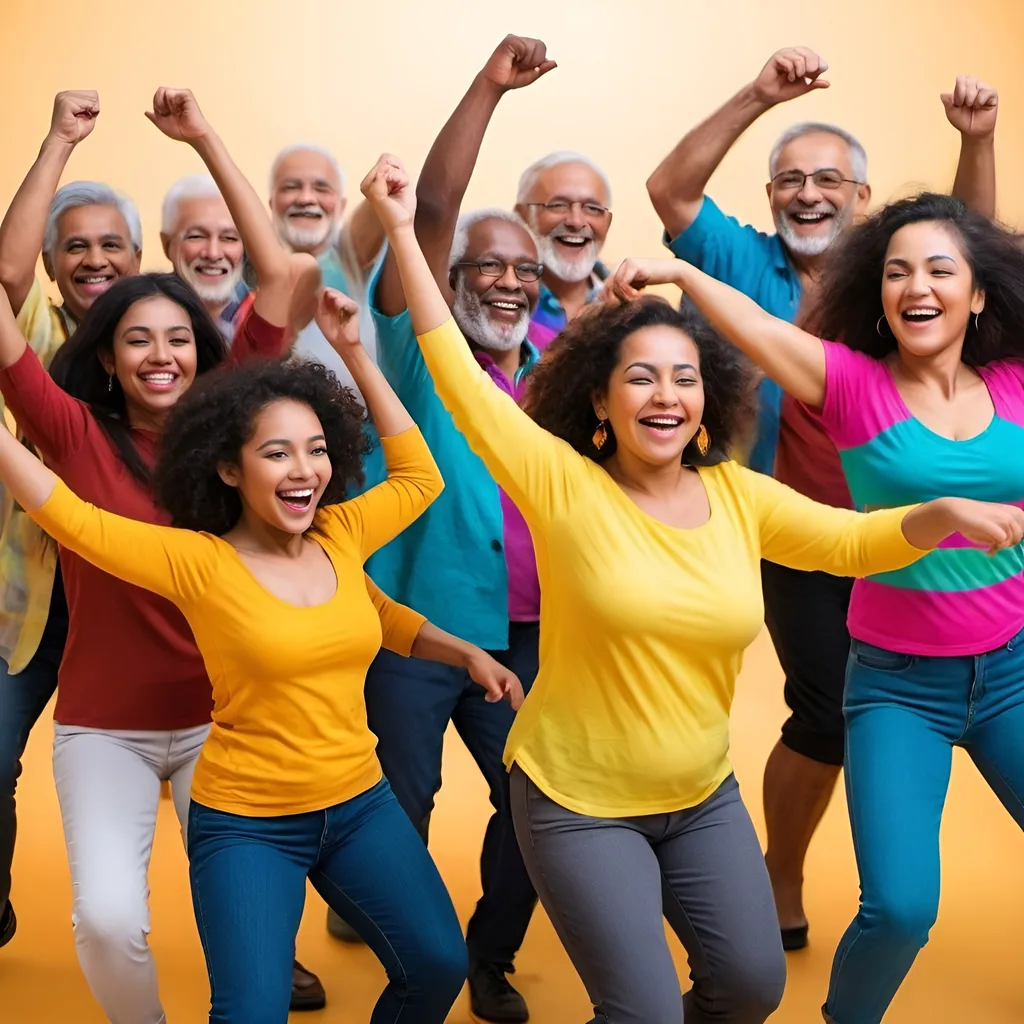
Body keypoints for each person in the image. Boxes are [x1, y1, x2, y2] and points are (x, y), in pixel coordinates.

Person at [362, 152, 1024, 1024]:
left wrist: (937, 513)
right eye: (640, 376)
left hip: (702, 797)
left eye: (684, 378)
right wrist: (405, 232)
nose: (665, 395)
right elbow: (449, 365)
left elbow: (851, 542)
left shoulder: (738, 496)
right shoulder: (563, 484)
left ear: (707, 404)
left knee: (752, 990)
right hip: (578, 801)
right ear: (600, 403)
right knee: (645, 1014)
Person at [0, 255, 534, 1021]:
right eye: (277, 453)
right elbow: (69, 516)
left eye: (317, 449)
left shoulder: (341, 532)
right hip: (249, 825)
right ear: (227, 468)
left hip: (359, 804)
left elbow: (417, 481)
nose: (305, 470)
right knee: (249, 1013)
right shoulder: (195, 563)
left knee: (438, 964)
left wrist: (354, 353)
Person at [621, 191, 1024, 1023]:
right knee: (901, 910)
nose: (917, 285)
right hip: (899, 689)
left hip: (1014, 671)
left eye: (940, 270)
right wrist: (680, 272)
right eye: (896, 272)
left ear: (977, 294)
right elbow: (758, 332)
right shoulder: (851, 384)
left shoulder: (1016, 382)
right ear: (878, 295)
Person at [645, 47, 999, 949]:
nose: (809, 194)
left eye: (830, 179)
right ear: (770, 198)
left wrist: (977, 141)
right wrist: (760, 95)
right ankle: (780, 872)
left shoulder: (901, 284)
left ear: (863, 198)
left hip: (926, 536)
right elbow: (671, 194)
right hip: (805, 534)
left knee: (907, 693)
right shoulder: (744, 261)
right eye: (790, 180)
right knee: (823, 705)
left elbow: (973, 246)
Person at [0, 84, 319, 1020]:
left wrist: (207, 133)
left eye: (179, 337)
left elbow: (279, 278)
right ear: (106, 359)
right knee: (105, 920)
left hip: (234, 712)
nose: (160, 355)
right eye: (136, 340)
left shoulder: (235, 414)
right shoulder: (65, 430)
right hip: (108, 726)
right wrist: (59, 139)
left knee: (248, 924)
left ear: (205, 349)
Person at [354, 36, 555, 1024]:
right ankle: (413, 952)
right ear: (446, 275)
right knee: (401, 808)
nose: (509, 281)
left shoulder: (559, 364)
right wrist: (488, 87)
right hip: (416, 624)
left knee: (537, 806)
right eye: (485, 264)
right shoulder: (414, 348)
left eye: (525, 268)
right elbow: (429, 214)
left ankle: (487, 955)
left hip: (529, 632)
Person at [0, 89, 141, 953]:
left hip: (133, 613)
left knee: (229, 782)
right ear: (53, 267)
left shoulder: (171, 340)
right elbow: (0, 279)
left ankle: (259, 941)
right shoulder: (28, 325)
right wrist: (57, 141)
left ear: (139, 259)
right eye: (74, 247)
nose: (93, 259)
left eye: (110, 244)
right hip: (26, 611)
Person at [263, 140, 386, 394]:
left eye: (321, 188)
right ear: (272, 203)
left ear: (340, 206)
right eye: (291, 187)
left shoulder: (347, 256)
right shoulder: (247, 270)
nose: (306, 198)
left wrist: (384, 181)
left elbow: (378, 209)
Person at [514, 150, 612, 348]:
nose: (576, 222)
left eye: (592, 208)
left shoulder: (626, 308)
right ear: (521, 217)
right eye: (558, 205)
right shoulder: (497, 304)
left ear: (608, 222)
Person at [161, 174, 248, 338]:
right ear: (167, 244)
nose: (213, 254)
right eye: (196, 236)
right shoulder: (144, 315)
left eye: (229, 238)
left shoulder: (266, 316)